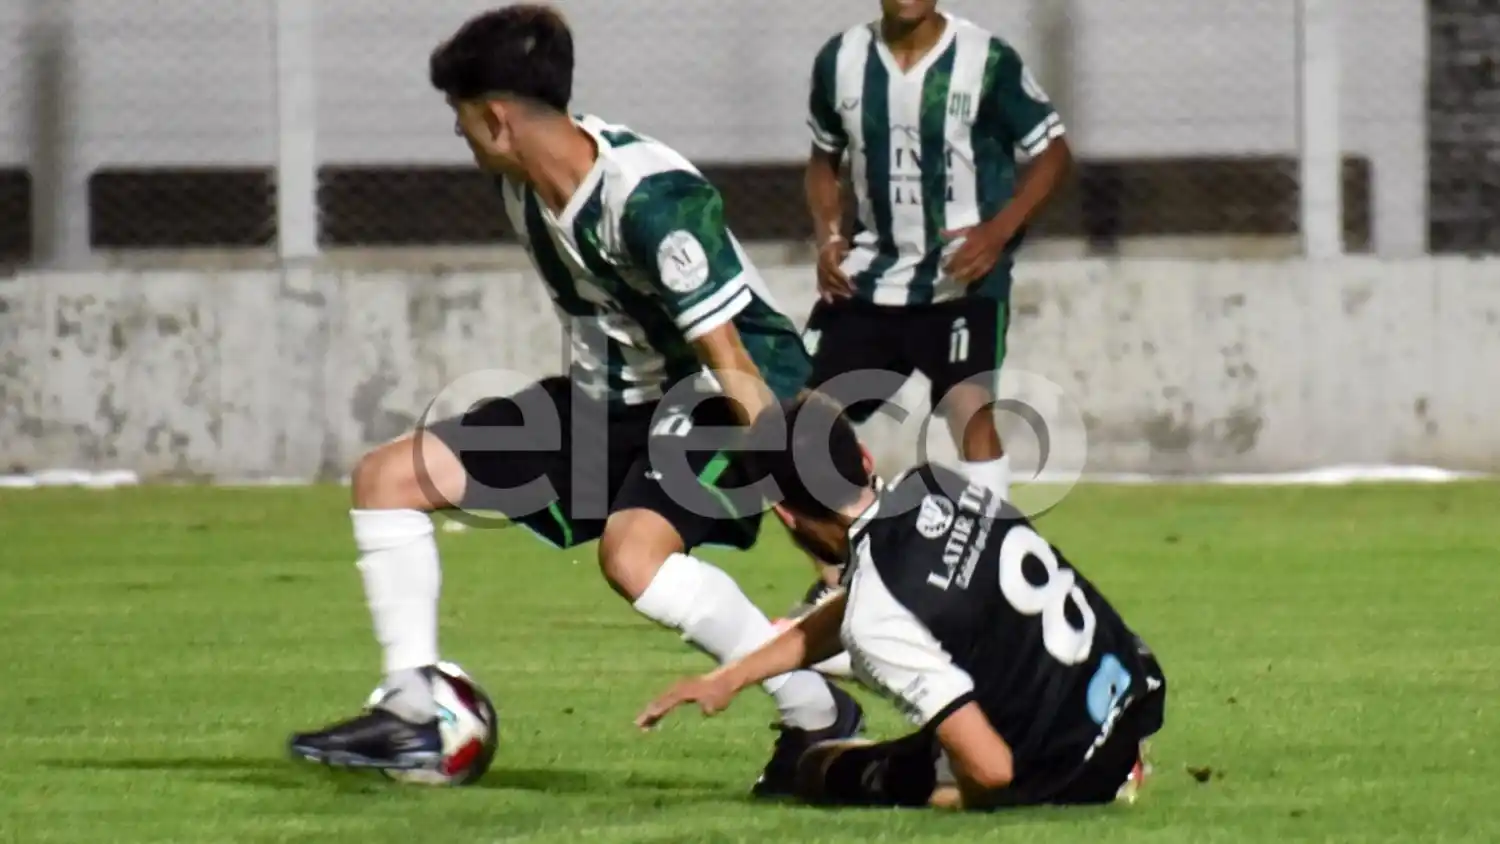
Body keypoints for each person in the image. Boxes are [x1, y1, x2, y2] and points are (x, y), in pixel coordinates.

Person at [287, 4, 862, 798]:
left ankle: (812, 708)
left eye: (459, 119)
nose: (457, 139)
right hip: (612, 401)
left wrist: (798, 492)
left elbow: (727, 354)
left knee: (633, 558)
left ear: (495, 118)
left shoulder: (650, 200)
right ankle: (416, 709)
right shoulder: (529, 184)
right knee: (388, 478)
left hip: (724, 393)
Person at [637, 393, 1166, 810]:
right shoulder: (938, 484)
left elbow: (991, 770)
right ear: (864, 457)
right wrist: (732, 676)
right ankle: (1117, 761)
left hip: (1066, 768)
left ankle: (1077, 779)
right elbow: (856, 609)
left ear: (786, 518)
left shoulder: (877, 613)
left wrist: (961, 804)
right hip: (1126, 697)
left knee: (819, 770)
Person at [801, 0, 1073, 512]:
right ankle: (856, 557)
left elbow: (1053, 152)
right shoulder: (840, 60)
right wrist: (829, 235)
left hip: (960, 277)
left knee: (967, 404)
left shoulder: (986, 60)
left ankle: (992, 555)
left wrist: (997, 233)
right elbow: (822, 159)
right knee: (803, 423)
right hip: (869, 276)